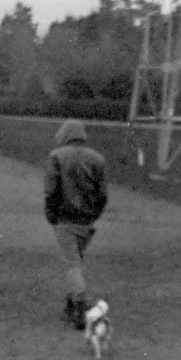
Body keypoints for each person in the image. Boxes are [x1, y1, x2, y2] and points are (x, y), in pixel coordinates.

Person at [44, 118, 108, 330]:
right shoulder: (97, 159)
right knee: (76, 260)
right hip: (87, 220)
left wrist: (51, 213)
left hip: (65, 219)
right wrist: (94, 214)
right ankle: (71, 304)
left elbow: (51, 190)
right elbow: (102, 195)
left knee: (72, 263)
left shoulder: (56, 157)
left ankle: (79, 304)